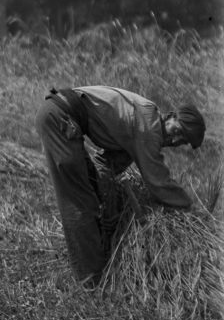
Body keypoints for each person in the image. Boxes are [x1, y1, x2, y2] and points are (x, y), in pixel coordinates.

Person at [36, 85, 206, 287]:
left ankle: (95, 264)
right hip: (61, 119)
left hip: (59, 115)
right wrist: (189, 209)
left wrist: (110, 205)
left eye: (182, 141)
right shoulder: (148, 127)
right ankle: (90, 283)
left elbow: (104, 166)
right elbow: (158, 182)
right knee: (81, 204)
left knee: (91, 194)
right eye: (177, 131)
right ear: (170, 117)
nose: (175, 139)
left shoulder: (138, 129)